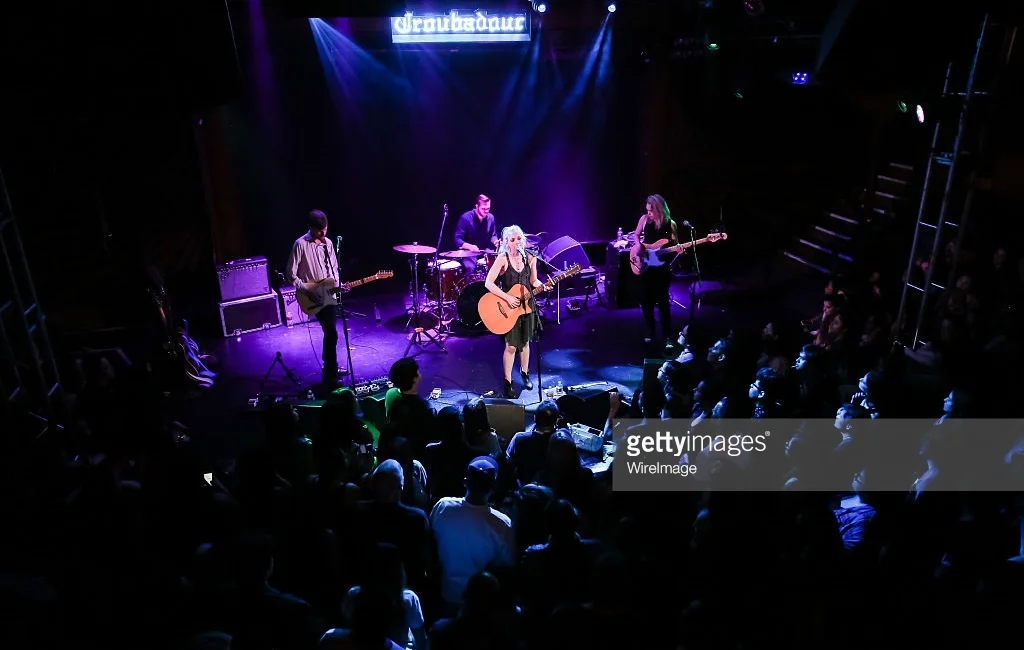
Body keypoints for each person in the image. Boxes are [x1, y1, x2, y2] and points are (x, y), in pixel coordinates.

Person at [287, 209, 349, 382]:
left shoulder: (328, 243)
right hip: (311, 295)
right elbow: (290, 274)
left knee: (331, 333)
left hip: (329, 294)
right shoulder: (300, 244)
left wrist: (338, 286)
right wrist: (307, 290)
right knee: (331, 332)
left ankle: (331, 367)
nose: (323, 234)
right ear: (310, 227)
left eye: (325, 229)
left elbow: (334, 269)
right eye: (319, 231)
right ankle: (330, 369)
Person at [484, 225, 544, 399]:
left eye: (519, 239)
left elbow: (533, 280)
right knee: (511, 346)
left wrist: (542, 285)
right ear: (506, 243)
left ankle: (525, 372)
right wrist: (507, 298)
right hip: (509, 307)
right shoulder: (502, 258)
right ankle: (508, 381)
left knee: (525, 342)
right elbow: (488, 283)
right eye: (512, 240)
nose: (517, 242)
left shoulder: (531, 257)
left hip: (527, 305)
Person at [633, 194, 678, 346]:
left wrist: (678, 251)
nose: (649, 213)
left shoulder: (670, 224)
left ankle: (667, 335)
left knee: (663, 303)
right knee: (646, 302)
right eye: (647, 210)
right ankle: (650, 329)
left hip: (661, 268)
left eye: (651, 210)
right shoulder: (644, 219)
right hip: (646, 266)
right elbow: (636, 234)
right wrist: (638, 245)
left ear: (659, 209)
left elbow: (675, 246)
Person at [453, 194, 501, 275]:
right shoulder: (465, 218)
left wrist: (496, 242)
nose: (486, 211)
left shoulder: (491, 218)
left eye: (488, 208)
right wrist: (470, 246)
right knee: (470, 267)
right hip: (469, 253)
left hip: (484, 251)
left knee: (498, 263)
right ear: (476, 206)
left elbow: (493, 235)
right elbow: (457, 239)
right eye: (483, 209)